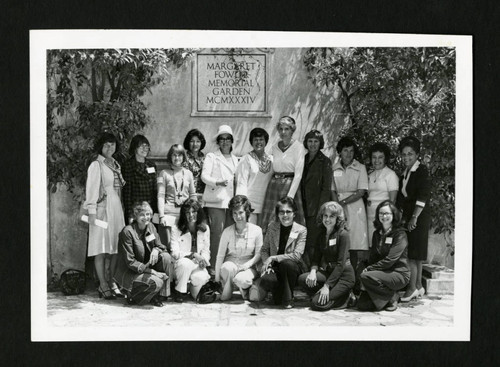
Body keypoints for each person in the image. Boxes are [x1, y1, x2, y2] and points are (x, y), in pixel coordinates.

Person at [83, 132, 126, 299]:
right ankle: (102, 284)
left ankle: (112, 281)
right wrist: (92, 212)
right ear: (101, 147)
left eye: (113, 144)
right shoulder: (96, 165)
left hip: (116, 208)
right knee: (100, 248)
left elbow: (118, 189)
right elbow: (91, 190)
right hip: (102, 210)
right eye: (107, 145)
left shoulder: (115, 164)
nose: (110, 148)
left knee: (115, 248)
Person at [114, 201, 173, 307]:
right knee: (157, 282)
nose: (146, 217)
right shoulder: (127, 232)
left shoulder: (150, 227)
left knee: (166, 257)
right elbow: (130, 262)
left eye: (148, 214)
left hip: (145, 268)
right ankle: (133, 295)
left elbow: (161, 246)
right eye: (142, 215)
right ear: (135, 216)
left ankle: (159, 296)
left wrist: (156, 249)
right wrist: (153, 272)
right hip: (130, 272)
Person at [298, 201, 355, 311]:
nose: (327, 219)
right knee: (303, 279)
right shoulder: (321, 235)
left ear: (338, 218)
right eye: (325, 216)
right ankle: (328, 295)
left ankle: (346, 297)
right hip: (330, 273)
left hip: (344, 276)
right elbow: (316, 259)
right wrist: (313, 272)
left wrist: (326, 286)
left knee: (316, 304)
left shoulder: (343, 235)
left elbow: (341, 264)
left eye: (332, 216)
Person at [331, 136, 369, 294]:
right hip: (338, 206)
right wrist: (336, 207)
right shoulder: (334, 168)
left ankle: (355, 284)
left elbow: (361, 191)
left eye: (351, 151)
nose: (348, 154)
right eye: (345, 150)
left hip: (355, 208)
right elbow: (332, 189)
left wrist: (343, 203)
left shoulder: (360, 167)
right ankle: (341, 281)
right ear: (340, 152)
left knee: (354, 246)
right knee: (340, 243)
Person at [357, 200, 410, 311]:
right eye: (381, 213)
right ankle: (386, 297)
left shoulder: (400, 234)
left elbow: (391, 259)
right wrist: (364, 268)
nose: (383, 216)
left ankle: (392, 297)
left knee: (365, 276)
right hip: (381, 272)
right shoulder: (376, 234)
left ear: (393, 215)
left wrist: (369, 270)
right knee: (362, 305)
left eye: (387, 213)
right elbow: (373, 257)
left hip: (398, 273)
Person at [396, 136, 431, 302]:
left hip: (419, 217)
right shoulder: (406, 173)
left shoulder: (421, 170)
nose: (407, 157)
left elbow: (423, 195)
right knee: (416, 254)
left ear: (417, 154)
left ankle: (410, 289)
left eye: (410, 154)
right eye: (404, 154)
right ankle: (418, 286)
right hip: (411, 217)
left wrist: (414, 217)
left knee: (412, 255)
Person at [256, 197, 307, 309]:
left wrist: (273, 258)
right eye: (281, 212)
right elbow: (264, 249)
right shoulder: (272, 227)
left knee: (286, 264)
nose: (285, 215)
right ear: (278, 214)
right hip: (275, 268)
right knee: (267, 280)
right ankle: (279, 294)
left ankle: (289, 298)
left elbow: (297, 255)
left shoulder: (301, 230)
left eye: (288, 211)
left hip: (292, 267)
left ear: (294, 213)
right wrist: (267, 263)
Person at [201, 125, 239, 267]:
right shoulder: (212, 156)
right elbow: (204, 176)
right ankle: (212, 267)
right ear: (218, 141)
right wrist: (217, 182)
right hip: (216, 201)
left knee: (229, 234)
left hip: (231, 203)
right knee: (216, 234)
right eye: (221, 139)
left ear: (232, 141)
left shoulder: (236, 159)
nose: (225, 142)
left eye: (228, 138)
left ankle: (225, 266)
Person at [261, 116, 306, 231]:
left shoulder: (298, 147)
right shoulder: (275, 146)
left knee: (289, 219)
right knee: (272, 220)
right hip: (274, 185)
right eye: (281, 129)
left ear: (292, 130)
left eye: (287, 129)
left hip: (289, 186)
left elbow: (299, 174)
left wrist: (290, 196)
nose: (283, 132)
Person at [215, 195, 263, 301]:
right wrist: (217, 278)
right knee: (227, 267)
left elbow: (259, 254)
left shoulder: (257, 230)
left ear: (247, 212)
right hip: (231, 265)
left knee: (241, 280)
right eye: (234, 213)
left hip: (248, 267)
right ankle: (227, 292)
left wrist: (247, 265)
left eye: (241, 212)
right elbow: (220, 255)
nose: (238, 216)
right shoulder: (227, 231)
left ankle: (246, 288)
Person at [300, 129, 333, 267]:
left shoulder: (325, 161)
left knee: (314, 241)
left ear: (320, 143)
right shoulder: (303, 159)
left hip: (316, 208)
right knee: (303, 240)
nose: (312, 144)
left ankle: (314, 270)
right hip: (302, 206)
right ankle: (304, 270)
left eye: (316, 141)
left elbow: (326, 188)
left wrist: (321, 210)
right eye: (310, 141)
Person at [170, 199, 211, 302]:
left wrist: (203, 260)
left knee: (200, 279)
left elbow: (206, 250)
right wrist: (193, 255)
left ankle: (189, 289)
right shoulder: (176, 229)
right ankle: (179, 291)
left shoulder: (205, 228)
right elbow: (175, 253)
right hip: (181, 265)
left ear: (199, 213)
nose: (191, 215)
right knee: (185, 264)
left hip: (197, 264)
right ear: (183, 214)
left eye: (194, 212)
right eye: (187, 212)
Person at [157, 144, 197, 249]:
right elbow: (160, 195)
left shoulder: (188, 174)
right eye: (174, 155)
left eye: (179, 155)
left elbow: (193, 195)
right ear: (170, 157)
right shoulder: (164, 173)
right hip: (168, 216)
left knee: (183, 246)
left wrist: (195, 214)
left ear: (183, 157)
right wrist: (161, 215)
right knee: (169, 246)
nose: (177, 158)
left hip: (184, 216)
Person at [235, 128, 274, 226]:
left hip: (267, 204)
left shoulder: (272, 159)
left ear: (266, 141)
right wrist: (242, 206)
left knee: (264, 235)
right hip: (250, 205)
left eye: (261, 139)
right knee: (250, 234)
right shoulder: (246, 159)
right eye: (255, 140)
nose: (258, 142)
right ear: (251, 142)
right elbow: (241, 182)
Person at [121, 135, 158, 223]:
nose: (144, 149)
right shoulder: (128, 165)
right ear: (134, 148)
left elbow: (155, 188)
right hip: (136, 208)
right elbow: (127, 192)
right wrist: (130, 213)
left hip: (150, 208)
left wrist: (156, 210)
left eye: (146, 146)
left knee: (151, 234)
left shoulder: (151, 165)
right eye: (141, 146)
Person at [366, 142, 399, 238]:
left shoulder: (391, 175)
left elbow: (392, 201)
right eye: (374, 157)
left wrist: (384, 218)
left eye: (380, 157)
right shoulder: (370, 175)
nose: (376, 160)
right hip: (370, 217)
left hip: (383, 218)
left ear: (385, 159)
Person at [182, 129, 207, 203]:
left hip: (203, 195)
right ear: (188, 142)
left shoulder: (205, 158)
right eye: (192, 141)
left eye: (198, 141)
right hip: (188, 195)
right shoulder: (183, 157)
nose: (195, 144)